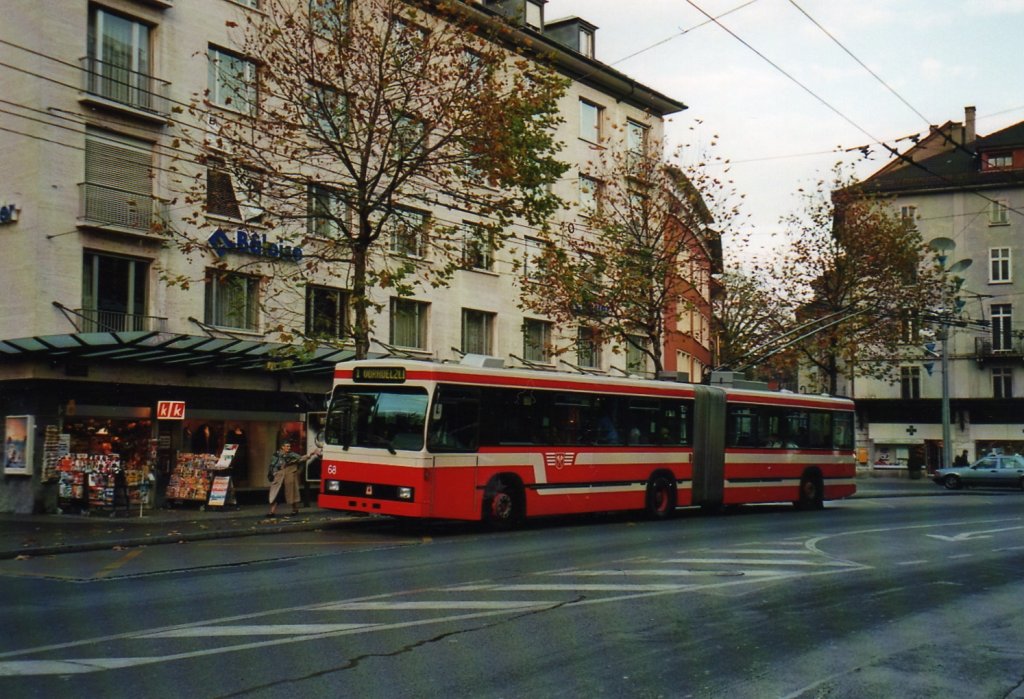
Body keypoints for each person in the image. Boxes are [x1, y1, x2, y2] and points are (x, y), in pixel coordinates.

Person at [267, 442, 302, 518]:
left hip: (288, 477)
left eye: (289, 446)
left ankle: (295, 509)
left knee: (291, 493)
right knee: (277, 494)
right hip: (279, 478)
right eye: (287, 446)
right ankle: (272, 511)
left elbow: (299, 458)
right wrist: (274, 472)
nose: (289, 448)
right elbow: (272, 465)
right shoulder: (276, 455)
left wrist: (291, 461)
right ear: (282, 447)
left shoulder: (291, 454)